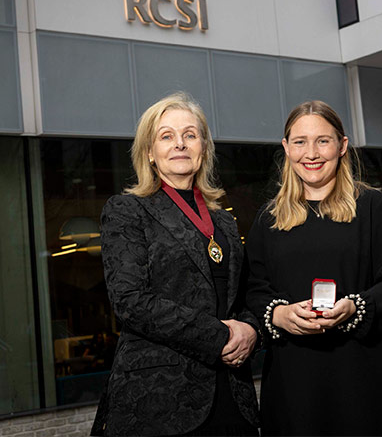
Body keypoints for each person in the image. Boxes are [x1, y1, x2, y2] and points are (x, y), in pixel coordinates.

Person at [245, 100, 382, 436]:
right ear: (286, 147)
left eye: (322, 141)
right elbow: (254, 288)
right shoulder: (268, 218)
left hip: (366, 377)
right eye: (299, 142)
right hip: (294, 382)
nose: (311, 153)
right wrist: (278, 315)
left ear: (342, 146)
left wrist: (355, 306)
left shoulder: (372, 208)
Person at [91, 92, 259, 436]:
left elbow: (241, 296)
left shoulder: (224, 221)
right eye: (166, 136)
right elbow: (130, 302)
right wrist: (221, 334)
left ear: (204, 148)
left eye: (190, 135)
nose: (180, 144)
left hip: (232, 393)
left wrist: (250, 329)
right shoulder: (127, 211)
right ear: (150, 153)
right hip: (159, 399)